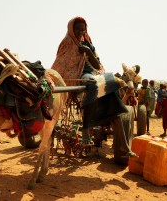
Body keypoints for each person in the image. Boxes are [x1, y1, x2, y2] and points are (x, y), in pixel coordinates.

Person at [51, 17, 136, 157]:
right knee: (92, 83)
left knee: (113, 86)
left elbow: (97, 65)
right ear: (71, 29)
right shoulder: (66, 44)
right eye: (77, 28)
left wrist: (88, 52)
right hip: (79, 76)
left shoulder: (88, 44)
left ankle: (125, 146)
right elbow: (61, 64)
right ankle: (86, 127)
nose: (80, 31)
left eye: (83, 29)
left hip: (93, 74)